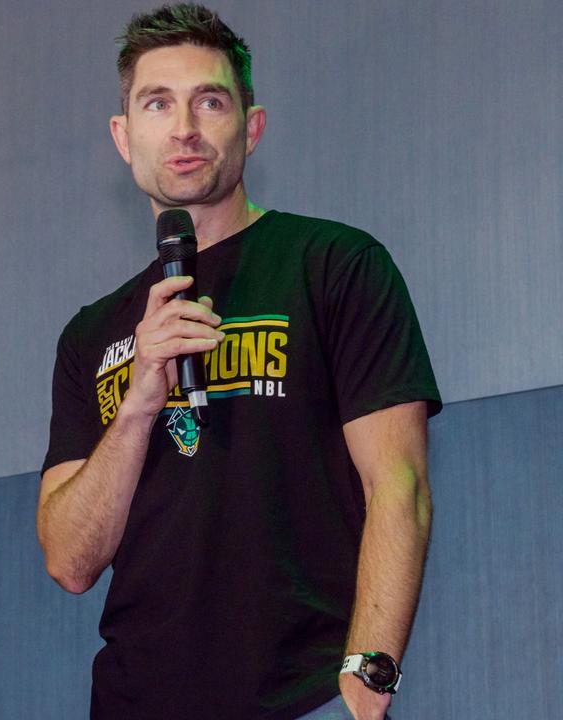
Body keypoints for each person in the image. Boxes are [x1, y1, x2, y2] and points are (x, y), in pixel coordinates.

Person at [37, 5, 440, 719]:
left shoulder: (334, 265)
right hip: (136, 700)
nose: (185, 126)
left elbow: (399, 486)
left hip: (306, 695)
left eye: (211, 100)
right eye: (157, 103)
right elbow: (70, 561)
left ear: (251, 127)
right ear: (124, 139)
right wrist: (138, 401)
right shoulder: (90, 334)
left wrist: (368, 678)